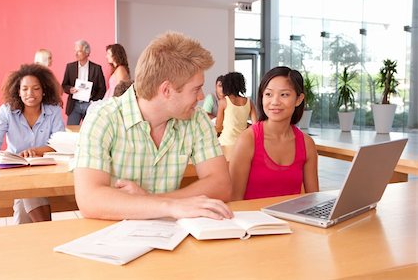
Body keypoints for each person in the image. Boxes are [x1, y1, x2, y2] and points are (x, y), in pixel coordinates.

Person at [73, 31, 233, 221]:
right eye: (196, 89)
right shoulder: (103, 118)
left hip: (171, 237)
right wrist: (169, 206)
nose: (201, 97)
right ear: (166, 90)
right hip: (114, 240)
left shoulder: (196, 119)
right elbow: (90, 200)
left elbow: (221, 185)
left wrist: (151, 201)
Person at [0, 64, 65, 223]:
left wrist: (36, 151)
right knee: (28, 192)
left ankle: (36, 234)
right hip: (14, 169)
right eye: (24, 89)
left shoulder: (53, 111)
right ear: (18, 91)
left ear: (43, 90)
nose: (30, 93)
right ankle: (45, 229)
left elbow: (60, 143)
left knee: (24, 202)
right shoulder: (6, 111)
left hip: (45, 169)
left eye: (35, 88)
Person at [230, 66, 319, 200]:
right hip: (253, 220)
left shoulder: (307, 144)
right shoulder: (248, 139)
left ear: (299, 99)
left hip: (292, 220)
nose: (275, 102)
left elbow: (313, 199)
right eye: (268, 94)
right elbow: (234, 201)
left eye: (284, 94)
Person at [62, 39, 106, 125]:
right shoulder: (70, 67)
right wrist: (70, 89)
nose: (76, 54)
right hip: (74, 105)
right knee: (71, 132)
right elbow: (64, 85)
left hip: (90, 105)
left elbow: (102, 89)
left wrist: (93, 101)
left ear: (87, 53)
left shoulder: (96, 68)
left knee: (89, 133)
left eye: (79, 51)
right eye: (75, 51)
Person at [215, 72, 257, 146]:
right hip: (242, 144)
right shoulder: (249, 102)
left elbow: (218, 127)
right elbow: (255, 125)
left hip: (226, 143)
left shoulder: (223, 102)